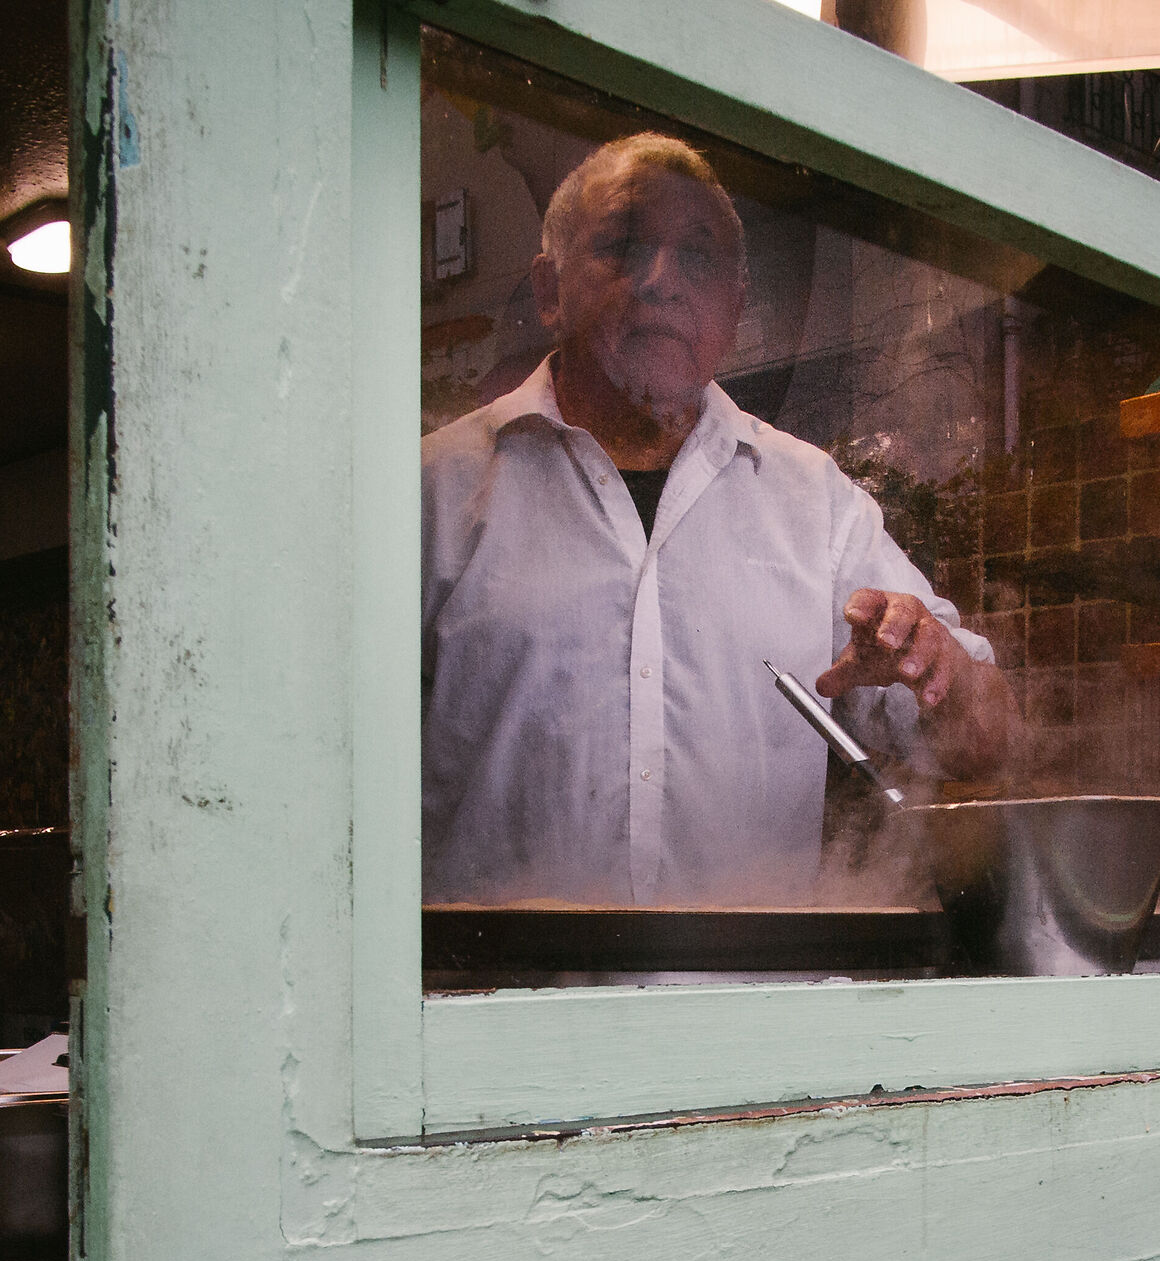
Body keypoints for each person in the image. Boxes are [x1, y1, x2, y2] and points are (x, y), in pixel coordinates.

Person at [421, 133, 1013, 905]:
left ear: (734, 310)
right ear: (549, 290)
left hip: (746, 1016)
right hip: (486, 1016)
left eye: (698, 259)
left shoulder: (814, 501)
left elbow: (985, 745)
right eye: (622, 245)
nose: (661, 280)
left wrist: (943, 670)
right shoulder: (433, 491)